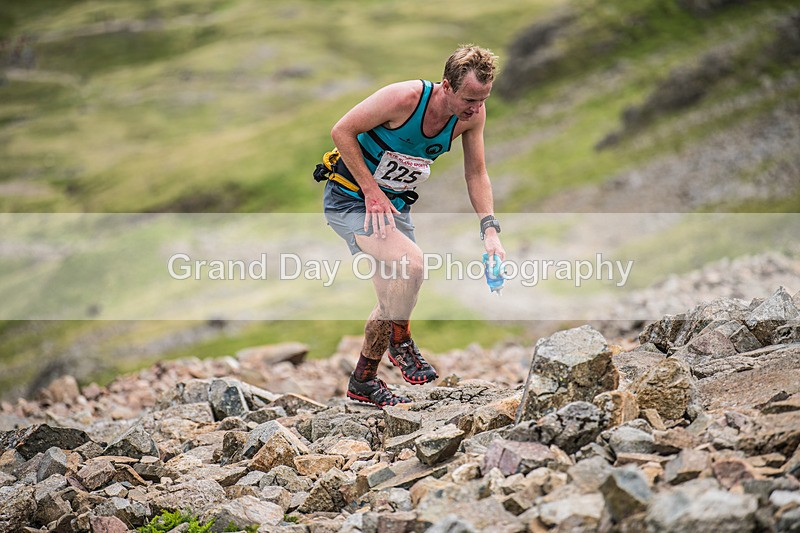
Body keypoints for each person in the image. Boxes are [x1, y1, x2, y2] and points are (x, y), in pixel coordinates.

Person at [318, 44, 506, 407]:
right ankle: (401, 343)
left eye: (483, 100)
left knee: (393, 297)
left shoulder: (472, 116)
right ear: (446, 86)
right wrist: (371, 191)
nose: (475, 109)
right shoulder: (404, 98)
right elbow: (341, 131)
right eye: (469, 98)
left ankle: (363, 381)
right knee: (414, 265)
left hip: (394, 207)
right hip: (351, 198)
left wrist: (491, 231)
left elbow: (476, 173)